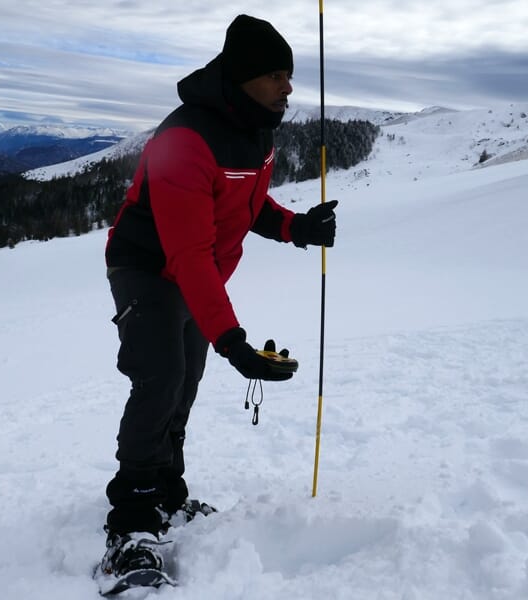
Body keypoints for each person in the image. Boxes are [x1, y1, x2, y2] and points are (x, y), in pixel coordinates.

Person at [97, 14, 338, 586]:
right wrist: (234, 343)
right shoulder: (184, 139)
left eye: (290, 75)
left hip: (195, 273)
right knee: (159, 376)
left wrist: (295, 227)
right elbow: (187, 252)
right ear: (245, 76)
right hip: (147, 267)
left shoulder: (257, 131)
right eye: (278, 75)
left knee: (184, 380)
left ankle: (166, 492)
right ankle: (131, 520)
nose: (289, 87)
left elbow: (246, 205)